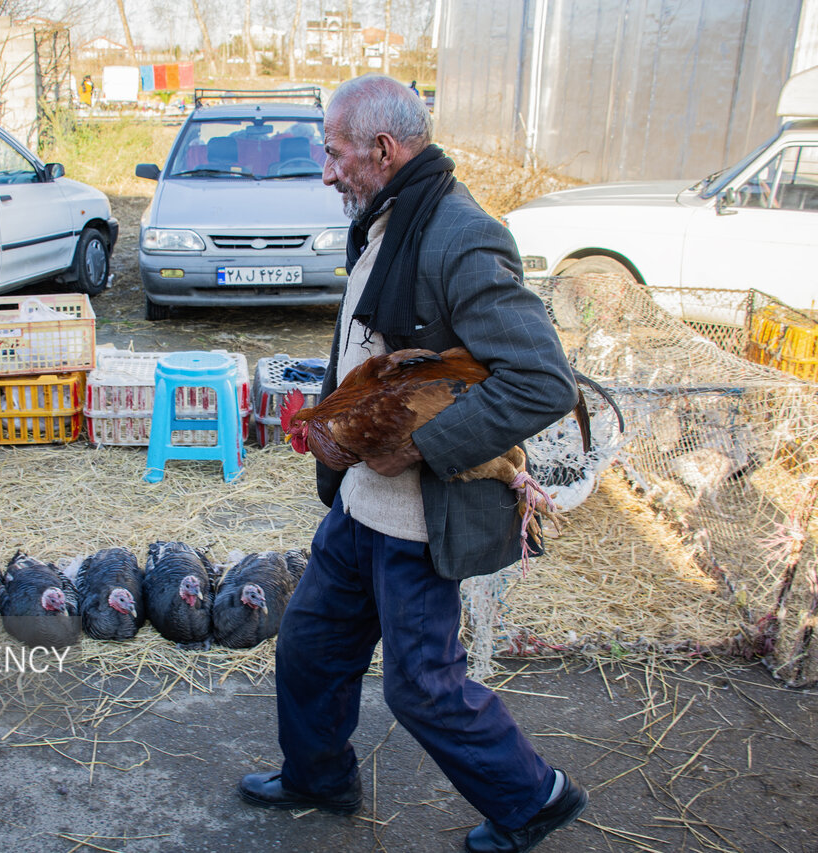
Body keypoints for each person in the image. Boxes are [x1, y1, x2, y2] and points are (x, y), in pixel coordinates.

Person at [237, 74, 587, 852]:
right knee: (308, 645)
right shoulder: (384, 219)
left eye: (334, 155)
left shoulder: (461, 234)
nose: (326, 171)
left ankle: (535, 798)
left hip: (418, 520)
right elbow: (366, 351)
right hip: (362, 504)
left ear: (383, 149)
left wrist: (420, 445)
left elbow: (543, 379)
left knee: (421, 683)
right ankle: (319, 776)